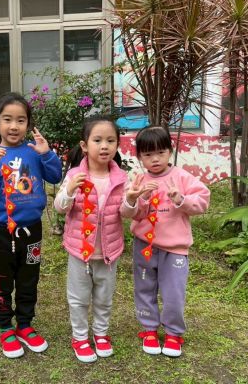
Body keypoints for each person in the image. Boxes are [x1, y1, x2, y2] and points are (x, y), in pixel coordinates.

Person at [0, 92, 62, 359]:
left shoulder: (34, 151)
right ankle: (5, 327)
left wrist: (47, 154)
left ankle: (24, 324)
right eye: (7, 119)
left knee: (28, 278)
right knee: (0, 280)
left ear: (28, 124)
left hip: (32, 230)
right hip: (1, 231)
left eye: (21, 120)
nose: (14, 126)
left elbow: (55, 176)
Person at [121, 125, 210, 357]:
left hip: (175, 249)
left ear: (170, 151)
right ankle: (149, 329)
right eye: (148, 154)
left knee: (173, 293)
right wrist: (137, 199)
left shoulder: (181, 177)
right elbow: (130, 213)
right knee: (144, 288)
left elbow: (203, 201)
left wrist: (180, 199)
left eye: (160, 152)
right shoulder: (138, 180)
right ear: (140, 156)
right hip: (144, 246)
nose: (155, 159)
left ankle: (173, 333)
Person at [54, 115, 128, 363]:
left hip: (109, 252)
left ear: (117, 145)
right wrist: (69, 190)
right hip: (80, 252)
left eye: (110, 140)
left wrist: (132, 199)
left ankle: (101, 334)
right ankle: (79, 337)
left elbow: (127, 213)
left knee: (104, 298)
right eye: (97, 140)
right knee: (78, 298)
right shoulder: (75, 175)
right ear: (84, 145)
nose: (104, 146)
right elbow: (60, 208)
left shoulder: (121, 178)